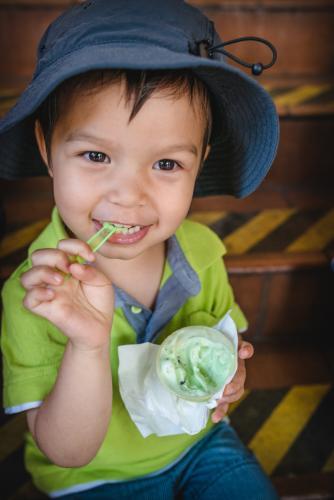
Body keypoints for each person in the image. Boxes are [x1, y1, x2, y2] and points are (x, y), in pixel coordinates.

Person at [0, 1, 280, 498]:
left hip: (199, 442)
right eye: (95, 155)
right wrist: (87, 343)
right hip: (96, 478)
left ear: (200, 163)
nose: (129, 195)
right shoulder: (37, 295)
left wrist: (233, 373)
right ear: (46, 149)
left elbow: (225, 338)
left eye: (167, 165)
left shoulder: (203, 252)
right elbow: (67, 452)